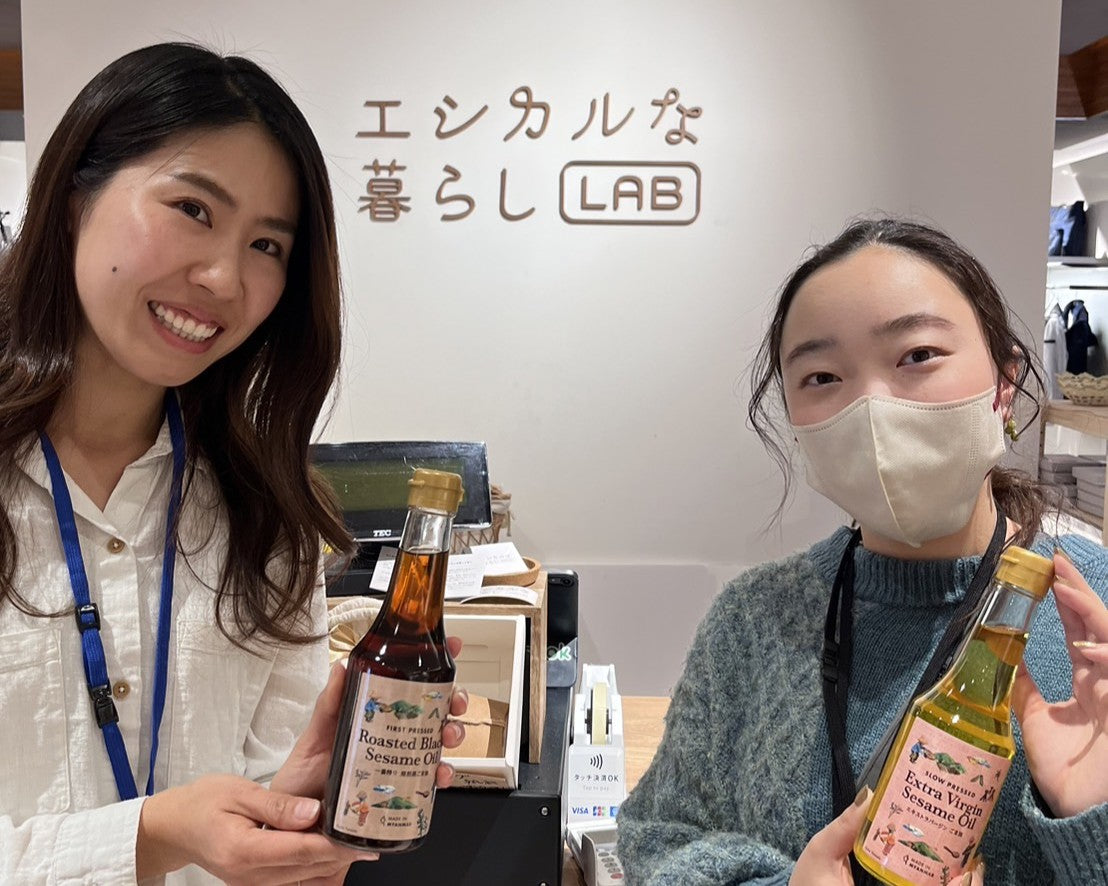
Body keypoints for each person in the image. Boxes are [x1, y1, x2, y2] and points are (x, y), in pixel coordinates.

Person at [0, 43, 466, 885]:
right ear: (73, 199)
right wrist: (148, 838)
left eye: (267, 246)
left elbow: (249, 823)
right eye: (193, 208)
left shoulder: (267, 518)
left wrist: (296, 822)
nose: (223, 276)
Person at [617, 218, 1108, 885]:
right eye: (822, 376)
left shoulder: (1093, 615)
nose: (872, 406)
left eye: (917, 355)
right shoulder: (753, 621)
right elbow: (658, 842)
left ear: (1004, 381)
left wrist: (1092, 816)